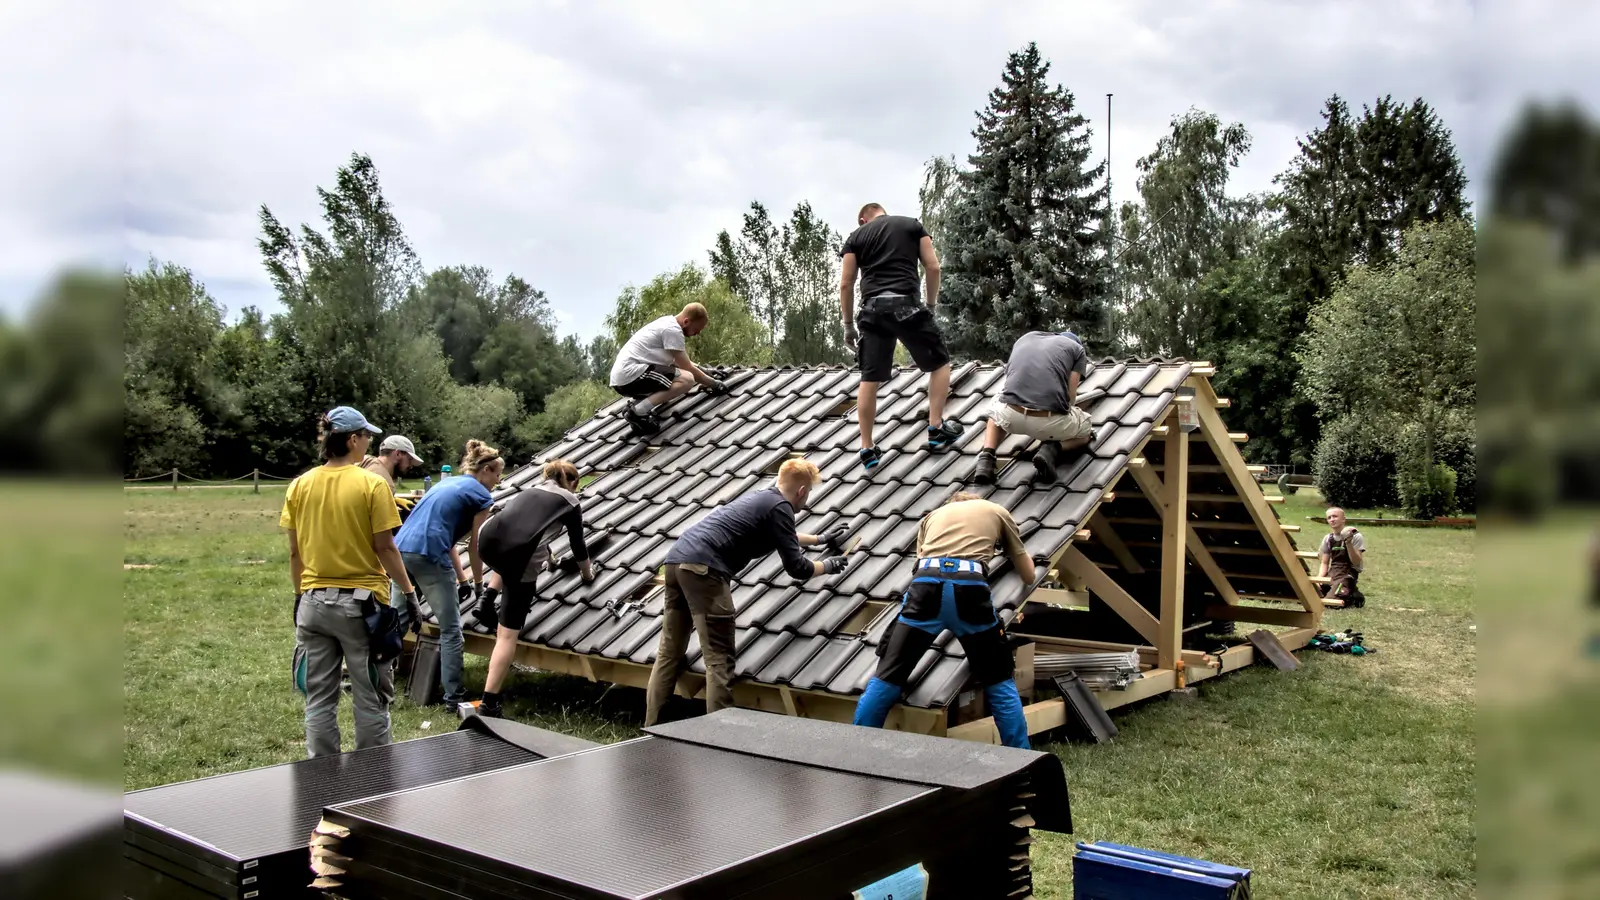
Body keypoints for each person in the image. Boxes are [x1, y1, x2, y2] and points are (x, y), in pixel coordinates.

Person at [644, 459, 852, 725]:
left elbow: (785, 535)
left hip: (676, 563)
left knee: (669, 652)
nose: (807, 500)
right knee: (719, 659)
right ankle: (719, 739)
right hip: (704, 571)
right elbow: (797, 568)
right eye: (809, 493)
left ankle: (651, 726)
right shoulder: (781, 507)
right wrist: (828, 566)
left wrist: (822, 539)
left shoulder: (764, 498)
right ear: (801, 491)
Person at [853, 490, 1040, 749]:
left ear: (952, 505)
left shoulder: (932, 517)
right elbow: (1028, 575)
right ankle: (1022, 762)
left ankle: (856, 749)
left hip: (925, 586)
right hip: (970, 589)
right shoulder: (996, 511)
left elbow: (921, 562)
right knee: (998, 679)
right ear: (976, 502)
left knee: (887, 676)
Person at [282, 406, 419, 757]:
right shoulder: (372, 485)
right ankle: (370, 781)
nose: (369, 443)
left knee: (318, 698)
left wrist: (300, 596)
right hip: (362, 609)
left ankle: (322, 779)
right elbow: (386, 547)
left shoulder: (299, 485)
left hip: (312, 605)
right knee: (370, 697)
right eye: (367, 436)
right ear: (353, 439)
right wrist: (409, 593)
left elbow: (295, 553)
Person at [840, 203, 963, 471]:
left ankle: (866, 447)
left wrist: (848, 325)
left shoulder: (856, 237)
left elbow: (846, 283)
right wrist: (929, 306)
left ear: (863, 219)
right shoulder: (911, 225)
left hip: (872, 312)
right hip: (907, 305)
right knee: (940, 363)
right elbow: (933, 267)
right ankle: (936, 428)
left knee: (869, 378)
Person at [471, 459, 594, 718]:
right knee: (506, 636)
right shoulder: (570, 501)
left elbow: (530, 531)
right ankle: (489, 703)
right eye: (576, 485)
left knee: (507, 559)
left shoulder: (530, 491)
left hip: (486, 540)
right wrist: (587, 573)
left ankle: (486, 598)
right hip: (518, 556)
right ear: (571, 482)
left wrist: (548, 559)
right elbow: (578, 545)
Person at [393, 440, 504, 711]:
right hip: (429, 555)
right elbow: (476, 546)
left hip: (401, 551)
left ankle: (376, 680)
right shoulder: (481, 496)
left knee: (395, 620)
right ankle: (454, 697)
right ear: (486, 470)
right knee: (451, 631)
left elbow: (451, 539)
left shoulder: (446, 484)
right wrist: (480, 586)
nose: (498, 482)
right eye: (498, 475)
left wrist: (462, 578)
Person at [973, 330, 1095, 485]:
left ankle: (986, 460)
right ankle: (1050, 450)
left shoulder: (1025, 338)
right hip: (1049, 420)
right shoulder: (1077, 349)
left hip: (1011, 415)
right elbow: (1070, 398)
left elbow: (1012, 379)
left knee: (996, 408)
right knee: (1086, 430)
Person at [609, 303, 728, 436]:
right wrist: (714, 384)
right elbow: (687, 368)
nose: (697, 333)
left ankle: (637, 406)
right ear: (687, 321)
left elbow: (679, 361)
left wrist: (704, 370)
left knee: (669, 386)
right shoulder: (673, 330)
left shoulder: (667, 323)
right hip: (632, 374)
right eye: (697, 329)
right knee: (687, 379)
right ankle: (638, 412)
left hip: (623, 379)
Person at [1318, 507, 1367, 608]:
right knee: (1310, 597)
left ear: (1343, 519)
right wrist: (1319, 580)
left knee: (1331, 603)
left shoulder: (1356, 536)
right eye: (1329, 517)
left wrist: (1348, 542)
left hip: (1348, 574)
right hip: (1333, 573)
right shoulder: (1328, 539)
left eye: (1335, 516)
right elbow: (1324, 563)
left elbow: (1357, 562)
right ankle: (1348, 592)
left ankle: (1354, 597)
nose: (1332, 519)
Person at [358, 434, 424, 491]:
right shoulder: (385, 484)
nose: (411, 466)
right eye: (409, 459)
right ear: (398, 454)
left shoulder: (364, 460)